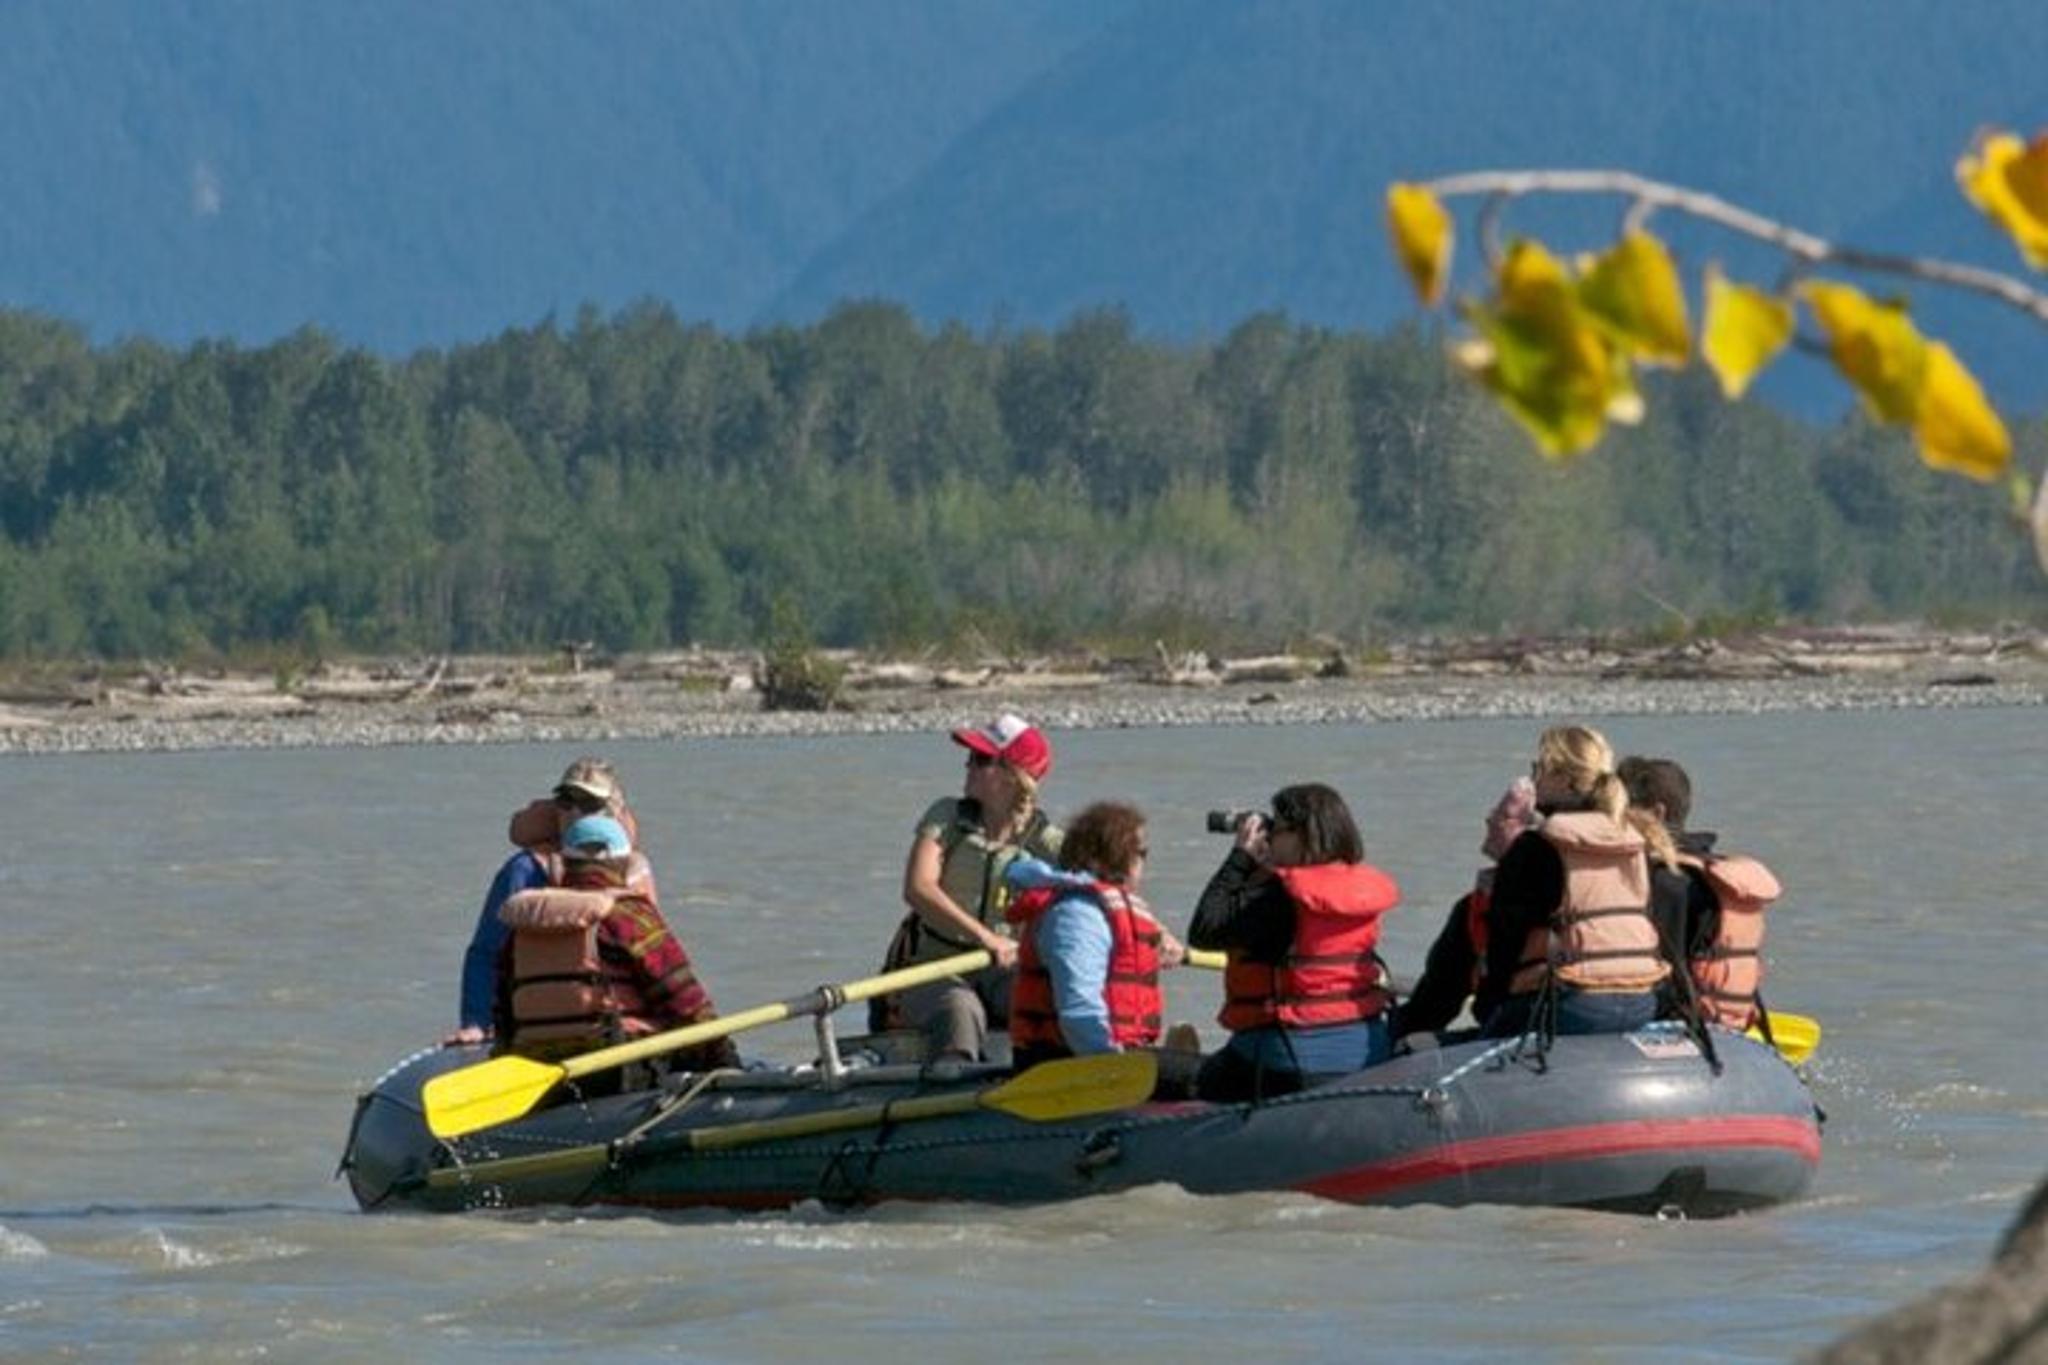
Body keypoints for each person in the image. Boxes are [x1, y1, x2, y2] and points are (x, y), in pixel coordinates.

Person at [1186, 783, 1401, 1102]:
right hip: (1367, 1055)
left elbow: (1205, 930)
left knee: (1167, 1073)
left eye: (1276, 829)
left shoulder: (1282, 897)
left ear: (1304, 837)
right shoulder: (1355, 890)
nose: (1269, 838)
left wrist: (1241, 857)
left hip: (1288, 1062)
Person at [872, 713, 1062, 1062]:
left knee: (1045, 1000)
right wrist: (987, 939)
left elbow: (1103, 883)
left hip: (1001, 970)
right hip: (935, 968)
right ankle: (954, 1082)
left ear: (1012, 777)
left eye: (980, 759)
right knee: (961, 1008)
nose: (967, 765)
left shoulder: (1045, 840)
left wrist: (1158, 936)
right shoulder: (946, 817)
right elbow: (919, 888)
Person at [493, 813, 736, 1085]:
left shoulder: (524, 929)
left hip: (539, 1066)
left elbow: (503, 1009)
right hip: (615, 1062)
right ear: (622, 864)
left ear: (565, 864)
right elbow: (684, 999)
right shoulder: (627, 914)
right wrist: (724, 1058)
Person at [1477, 725, 1676, 1039]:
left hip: (1570, 1003)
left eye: (1538, 770)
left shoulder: (1535, 847)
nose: (1532, 781)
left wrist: (1489, 1011)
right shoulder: (1636, 839)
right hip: (1642, 999)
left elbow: (1505, 941)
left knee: (1478, 1034)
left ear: (1564, 779)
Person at [446, 757, 648, 1045]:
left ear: (615, 811)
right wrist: (476, 1023)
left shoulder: (633, 871)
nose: (576, 812)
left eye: (589, 804)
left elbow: (657, 960)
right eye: (566, 801)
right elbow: (486, 953)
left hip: (612, 1024)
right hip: (536, 1024)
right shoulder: (524, 870)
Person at [1003, 801, 1188, 1071]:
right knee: (1206, 1077)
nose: (1143, 862)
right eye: (1140, 853)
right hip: (1066, 1060)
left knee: (1199, 1071)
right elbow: (1079, 1010)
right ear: (1105, 857)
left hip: (1113, 1053)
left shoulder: (1112, 908)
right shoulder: (1077, 915)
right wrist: (1111, 1064)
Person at [1619, 755, 1783, 1033]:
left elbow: (1660, 972)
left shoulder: (1664, 880)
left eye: (1620, 812)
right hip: (1727, 1019)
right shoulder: (1713, 871)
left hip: (1670, 1021)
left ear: (1657, 813)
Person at [1395, 776, 1541, 1044]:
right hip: (1602, 1034)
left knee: (1411, 1045)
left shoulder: (1479, 908)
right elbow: (1439, 995)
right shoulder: (1598, 891)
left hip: (1514, 1038)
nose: (1489, 821)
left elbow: (1435, 1003)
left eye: (1504, 816)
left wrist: (1388, 1039)